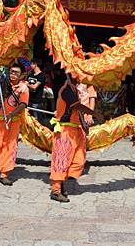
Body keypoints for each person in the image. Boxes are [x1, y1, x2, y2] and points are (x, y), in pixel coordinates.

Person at [49, 74, 94, 202]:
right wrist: (95, 114)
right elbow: (76, 106)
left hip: (76, 130)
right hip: (65, 130)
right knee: (61, 160)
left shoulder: (76, 89)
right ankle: (56, 191)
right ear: (69, 74)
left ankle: (61, 182)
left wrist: (84, 125)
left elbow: (78, 111)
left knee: (78, 160)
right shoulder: (67, 89)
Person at [26, 59, 46, 124]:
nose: (30, 65)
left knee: (38, 121)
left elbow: (34, 87)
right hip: (28, 100)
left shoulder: (41, 75)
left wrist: (27, 84)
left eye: (31, 64)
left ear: (35, 64)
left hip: (36, 102)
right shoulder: (30, 74)